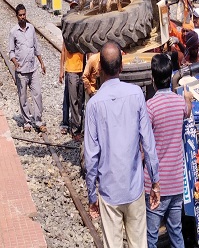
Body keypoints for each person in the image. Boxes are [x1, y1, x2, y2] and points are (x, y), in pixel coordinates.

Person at [84, 42, 160, 248]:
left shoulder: (93, 105)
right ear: (122, 67)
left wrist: (92, 196)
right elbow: (148, 142)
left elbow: (91, 157)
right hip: (134, 188)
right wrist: (155, 182)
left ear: (98, 68)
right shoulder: (136, 95)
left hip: (109, 192)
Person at [144, 54, 193, 248]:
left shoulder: (150, 107)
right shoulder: (180, 103)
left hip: (156, 183)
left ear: (152, 79)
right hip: (176, 182)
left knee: (151, 235)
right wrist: (187, 98)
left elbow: (144, 146)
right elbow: (187, 110)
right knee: (175, 231)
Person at [9, 4, 47, 133]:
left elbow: (36, 47)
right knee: (23, 97)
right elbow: (11, 51)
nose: (22, 17)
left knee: (37, 94)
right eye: (20, 15)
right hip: (21, 71)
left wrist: (42, 63)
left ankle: (38, 121)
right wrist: (15, 62)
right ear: (17, 16)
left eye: (24, 14)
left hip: (33, 68)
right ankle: (26, 122)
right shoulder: (13, 32)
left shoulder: (31, 29)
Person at [59, 28, 84, 140]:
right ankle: (75, 130)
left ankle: (79, 126)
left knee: (80, 101)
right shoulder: (68, 34)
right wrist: (61, 70)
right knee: (73, 102)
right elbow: (63, 51)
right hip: (71, 71)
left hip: (81, 71)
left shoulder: (82, 33)